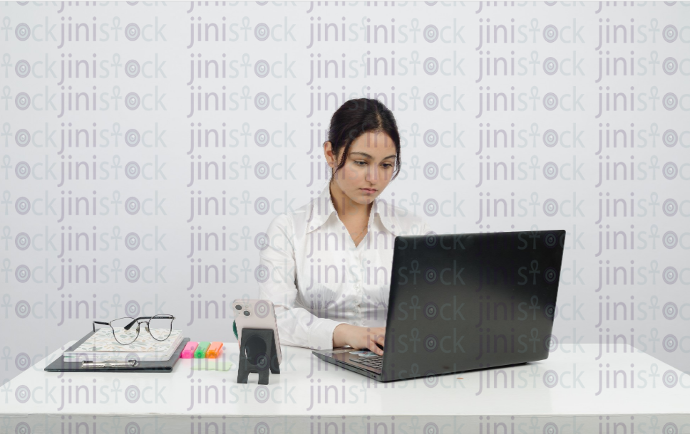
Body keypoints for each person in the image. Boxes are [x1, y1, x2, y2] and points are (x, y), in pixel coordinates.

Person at [258, 98, 431, 356]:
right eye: (361, 162)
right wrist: (347, 333)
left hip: (394, 370)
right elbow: (272, 319)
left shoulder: (413, 231)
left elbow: (437, 313)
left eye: (386, 165)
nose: (374, 178)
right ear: (331, 154)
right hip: (315, 375)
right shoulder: (289, 229)